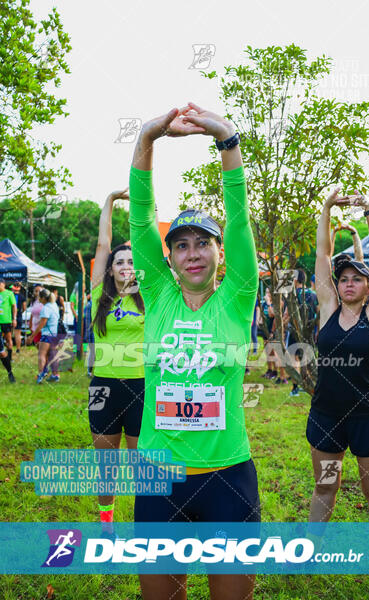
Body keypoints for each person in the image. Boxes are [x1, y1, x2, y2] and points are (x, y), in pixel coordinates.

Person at [130, 103, 261, 600]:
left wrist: (227, 140)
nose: (192, 253)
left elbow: (240, 218)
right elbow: (141, 220)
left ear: (218, 251)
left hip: (228, 474)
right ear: (170, 258)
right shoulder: (159, 295)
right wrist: (147, 137)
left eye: (202, 243)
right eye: (180, 245)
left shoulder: (237, 295)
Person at [307, 187, 369, 597]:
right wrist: (326, 209)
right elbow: (322, 257)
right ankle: (310, 551)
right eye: (342, 278)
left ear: (367, 288)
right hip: (327, 419)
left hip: (367, 421)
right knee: (326, 484)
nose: (347, 283)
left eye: (355, 279)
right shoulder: (327, 307)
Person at [90, 189, 145, 537]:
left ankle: (145, 522)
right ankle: (107, 524)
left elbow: (147, 241)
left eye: (130, 261)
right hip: (103, 387)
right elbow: (102, 244)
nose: (125, 265)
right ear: (110, 270)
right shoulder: (100, 294)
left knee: (141, 467)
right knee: (106, 466)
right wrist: (109, 202)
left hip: (141, 387)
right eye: (119, 262)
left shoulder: (150, 299)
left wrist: (145, 207)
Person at [27, 288, 60, 383]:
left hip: (47, 334)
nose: (38, 300)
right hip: (54, 334)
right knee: (52, 355)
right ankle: (55, 375)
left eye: (39, 298)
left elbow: (42, 325)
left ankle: (40, 375)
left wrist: (32, 336)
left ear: (43, 298)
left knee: (41, 354)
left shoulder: (45, 308)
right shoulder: (54, 305)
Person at [0, 278, 17, 361]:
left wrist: (14, 319)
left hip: (6, 321)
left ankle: (9, 358)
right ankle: (2, 355)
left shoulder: (9, 293)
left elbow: (14, 306)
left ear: (3, 284)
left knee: (8, 339)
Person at [11, 282, 26, 354]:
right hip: (19, 316)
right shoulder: (22, 296)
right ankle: (18, 349)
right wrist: (20, 312)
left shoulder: (10, 295)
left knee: (8, 333)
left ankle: (8, 348)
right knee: (18, 334)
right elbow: (24, 308)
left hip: (10, 316)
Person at [83, 292, 95, 377]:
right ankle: (89, 371)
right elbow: (88, 323)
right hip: (93, 333)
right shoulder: (89, 306)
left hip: (98, 332)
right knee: (93, 352)